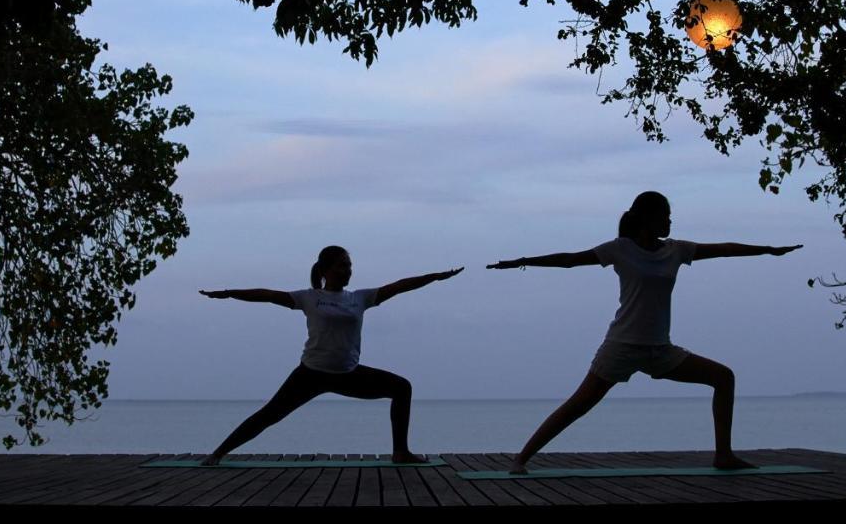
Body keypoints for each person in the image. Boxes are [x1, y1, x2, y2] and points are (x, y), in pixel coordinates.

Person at [488, 190, 801, 473]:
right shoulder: (620, 249)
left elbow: (723, 249)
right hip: (621, 346)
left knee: (724, 377)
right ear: (648, 218)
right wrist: (523, 261)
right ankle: (521, 458)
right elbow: (571, 260)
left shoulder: (676, 250)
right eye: (665, 215)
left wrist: (767, 250)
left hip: (660, 350)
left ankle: (723, 455)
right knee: (578, 405)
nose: (669, 221)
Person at [199, 245, 462, 465]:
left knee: (402, 388)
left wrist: (435, 276)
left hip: (348, 374)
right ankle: (218, 453)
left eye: (349, 265)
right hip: (311, 374)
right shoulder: (309, 297)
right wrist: (229, 293)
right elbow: (267, 295)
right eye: (342, 265)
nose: (348, 270)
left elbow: (399, 286)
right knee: (270, 415)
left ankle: (400, 452)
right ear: (325, 270)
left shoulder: (359, 298)